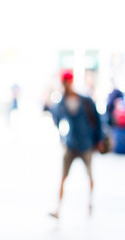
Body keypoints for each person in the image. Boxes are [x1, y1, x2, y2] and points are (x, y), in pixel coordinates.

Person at [49, 69, 103, 219]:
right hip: (71, 144)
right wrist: (62, 138)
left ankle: (90, 202)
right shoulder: (61, 103)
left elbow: (97, 120)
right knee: (63, 176)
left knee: (90, 174)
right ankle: (58, 208)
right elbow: (57, 119)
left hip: (86, 144)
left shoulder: (85, 101)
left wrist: (98, 140)